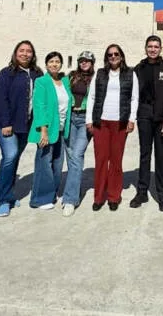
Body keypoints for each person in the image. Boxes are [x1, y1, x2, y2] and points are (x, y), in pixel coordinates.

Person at [0, 40, 43, 217]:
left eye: (29, 51)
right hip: (7, 124)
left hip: (25, 124)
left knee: (14, 159)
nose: (25, 54)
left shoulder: (37, 73)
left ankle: (9, 194)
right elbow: (1, 99)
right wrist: (6, 123)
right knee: (10, 157)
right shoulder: (7, 73)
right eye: (21, 51)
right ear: (15, 53)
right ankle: (2, 199)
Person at [85, 44, 138, 211]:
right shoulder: (100, 74)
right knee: (101, 160)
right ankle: (99, 197)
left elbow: (134, 98)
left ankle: (114, 196)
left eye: (116, 54)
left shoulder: (130, 74)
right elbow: (92, 97)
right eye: (110, 55)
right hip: (101, 122)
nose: (113, 57)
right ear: (106, 58)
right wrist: (89, 120)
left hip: (120, 123)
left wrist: (131, 119)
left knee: (116, 160)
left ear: (121, 56)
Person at [130, 35, 163, 211]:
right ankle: (142, 192)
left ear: (161, 48)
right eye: (150, 46)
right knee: (144, 155)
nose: (153, 49)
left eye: (156, 46)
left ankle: (162, 196)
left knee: (161, 157)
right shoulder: (138, 69)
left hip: (161, 119)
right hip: (144, 116)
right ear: (145, 48)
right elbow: (133, 95)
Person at [28, 52, 73, 210]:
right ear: (46, 64)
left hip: (61, 129)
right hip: (47, 129)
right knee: (44, 163)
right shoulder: (42, 81)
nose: (55, 64)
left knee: (57, 163)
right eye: (51, 61)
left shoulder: (64, 82)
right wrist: (43, 130)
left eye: (57, 61)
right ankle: (38, 199)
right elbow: (39, 106)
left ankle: (51, 193)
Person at [60, 51, 96, 217]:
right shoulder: (70, 77)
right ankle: (74, 186)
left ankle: (70, 199)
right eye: (81, 60)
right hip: (70, 118)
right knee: (71, 156)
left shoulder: (96, 78)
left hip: (85, 119)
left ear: (92, 62)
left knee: (76, 154)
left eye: (87, 60)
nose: (84, 63)